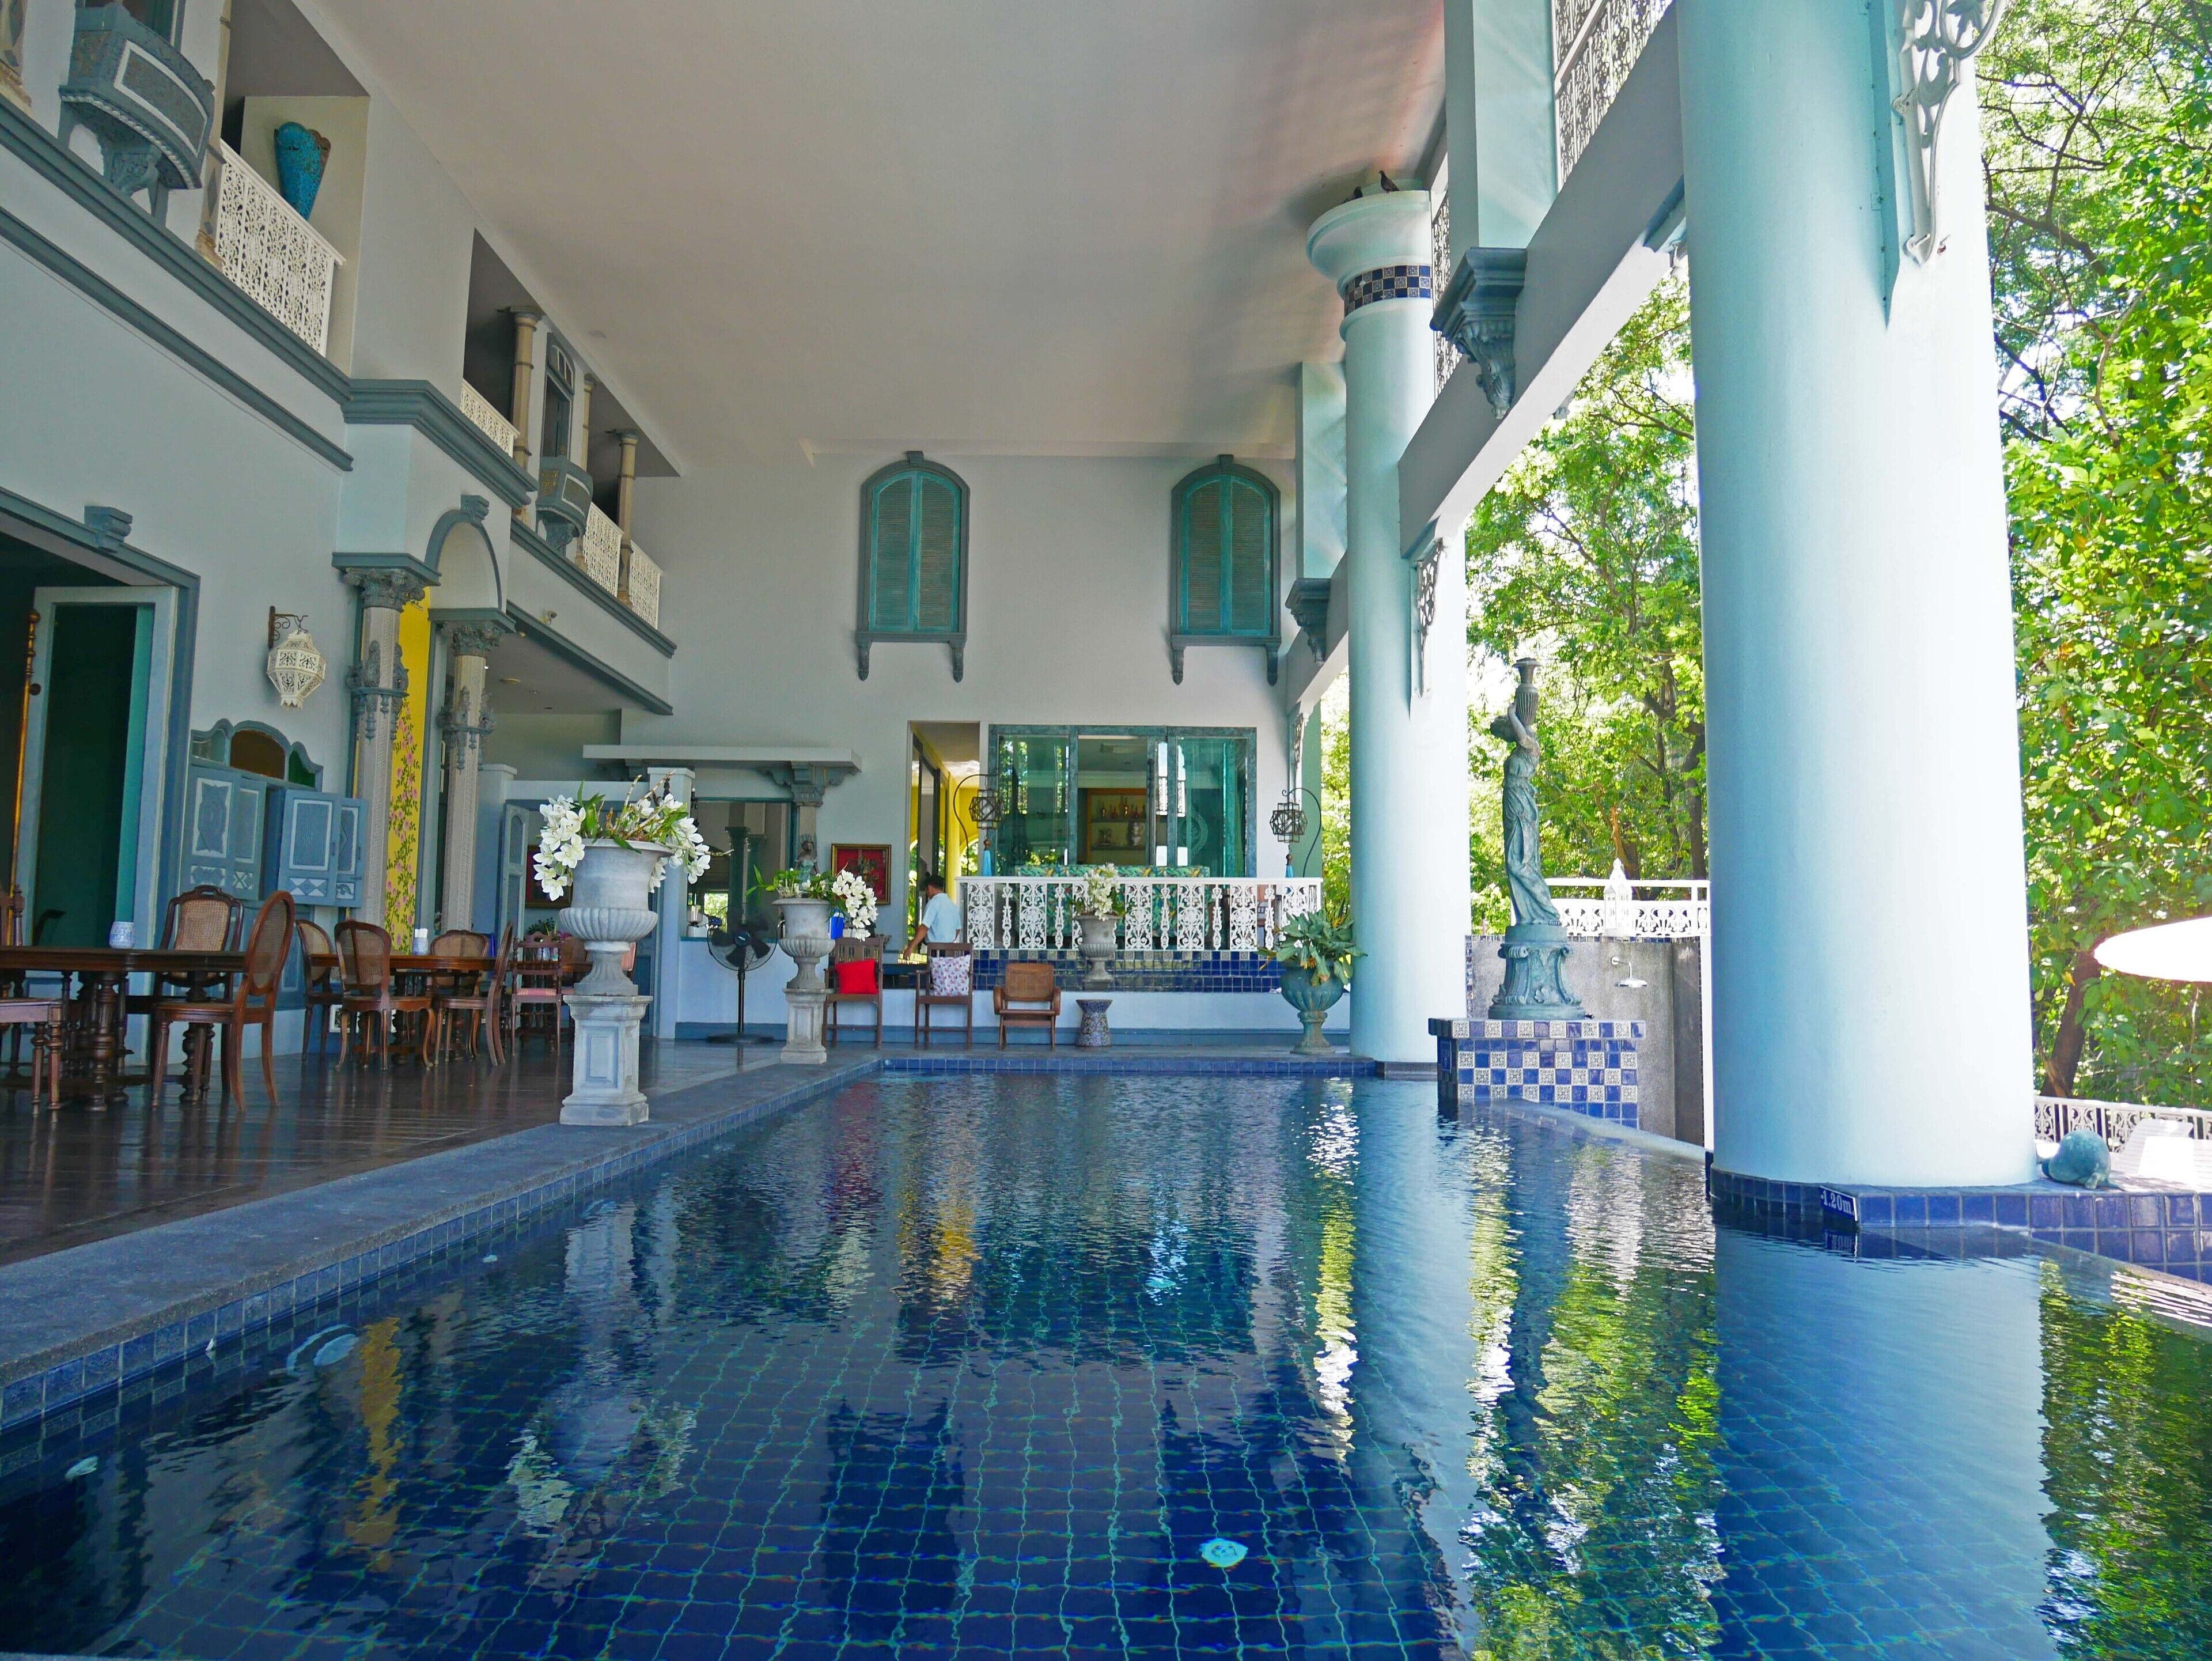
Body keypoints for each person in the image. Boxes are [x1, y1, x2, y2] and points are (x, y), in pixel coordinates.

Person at [906, 872, 963, 955]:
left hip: (936, 950)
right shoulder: (952, 905)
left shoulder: (934, 903)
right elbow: (957, 930)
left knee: (936, 965)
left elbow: (924, 928)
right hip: (951, 950)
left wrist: (911, 947)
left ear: (929, 888)